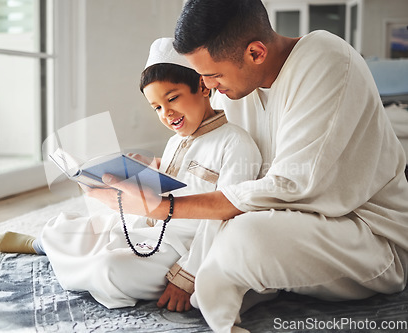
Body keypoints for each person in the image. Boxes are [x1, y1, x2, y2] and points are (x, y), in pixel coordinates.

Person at [85, 0, 408, 332]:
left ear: (255, 53)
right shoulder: (236, 86)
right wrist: (160, 167)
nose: (207, 87)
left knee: (243, 236)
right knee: (144, 227)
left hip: (366, 237)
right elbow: (229, 158)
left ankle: (221, 301)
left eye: (211, 75)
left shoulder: (327, 60)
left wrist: (165, 207)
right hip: (283, 218)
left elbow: (291, 184)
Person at [0, 37, 262, 313]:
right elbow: (178, 178)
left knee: (108, 269)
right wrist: (137, 171)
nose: (167, 113)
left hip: (181, 250)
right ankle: (45, 244)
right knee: (63, 226)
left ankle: (61, 254)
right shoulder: (178, 140)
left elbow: (226, 219)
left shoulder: (236, 144)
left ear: (203, 87)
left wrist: (186, 275)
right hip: (148, 228)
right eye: (157, 107)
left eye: (172, 98)